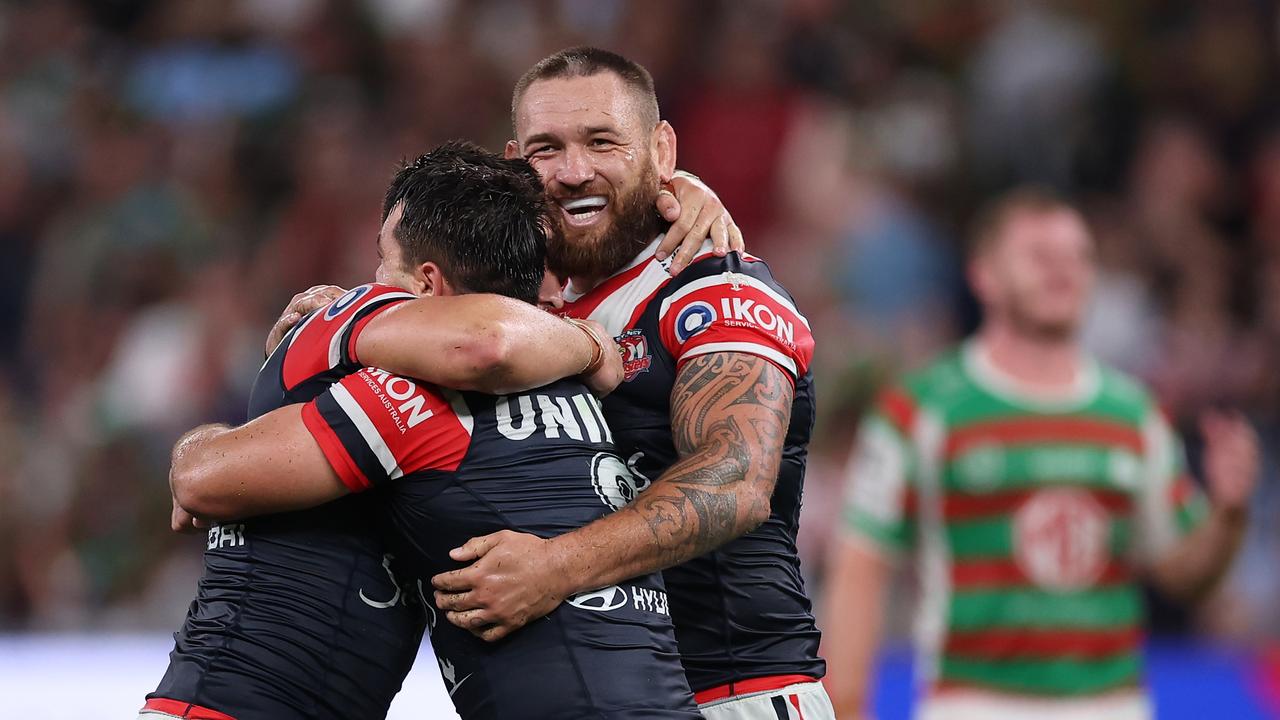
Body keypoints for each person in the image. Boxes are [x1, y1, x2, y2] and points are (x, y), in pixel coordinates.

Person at [142, 136, 727, 720]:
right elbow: (199, 478)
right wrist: (599, 343)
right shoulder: (559, 383)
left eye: (384, 262)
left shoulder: (412, 382)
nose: (370, 282)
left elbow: (484, 341)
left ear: (426, 284)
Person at [429, 47, 834, 719]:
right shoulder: (525, 310)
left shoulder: (716, 287)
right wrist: (347, 313)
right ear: (513, 166)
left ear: (661, 149)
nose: (573, 170)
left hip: (730, 694)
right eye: (545, 150)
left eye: (602, 141)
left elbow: (735, 480)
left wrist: (553, 569)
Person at [821, 187, 1258, 720]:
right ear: (984, 274)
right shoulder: (921, 409)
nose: (1063, 271)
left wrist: (1230, 515)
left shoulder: (1134, 414)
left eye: (1078, 257)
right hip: (974, 703)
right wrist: (846, 707)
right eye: (1040, 257)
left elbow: (1184, 573)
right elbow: (861, 567)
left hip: (1112, 704)